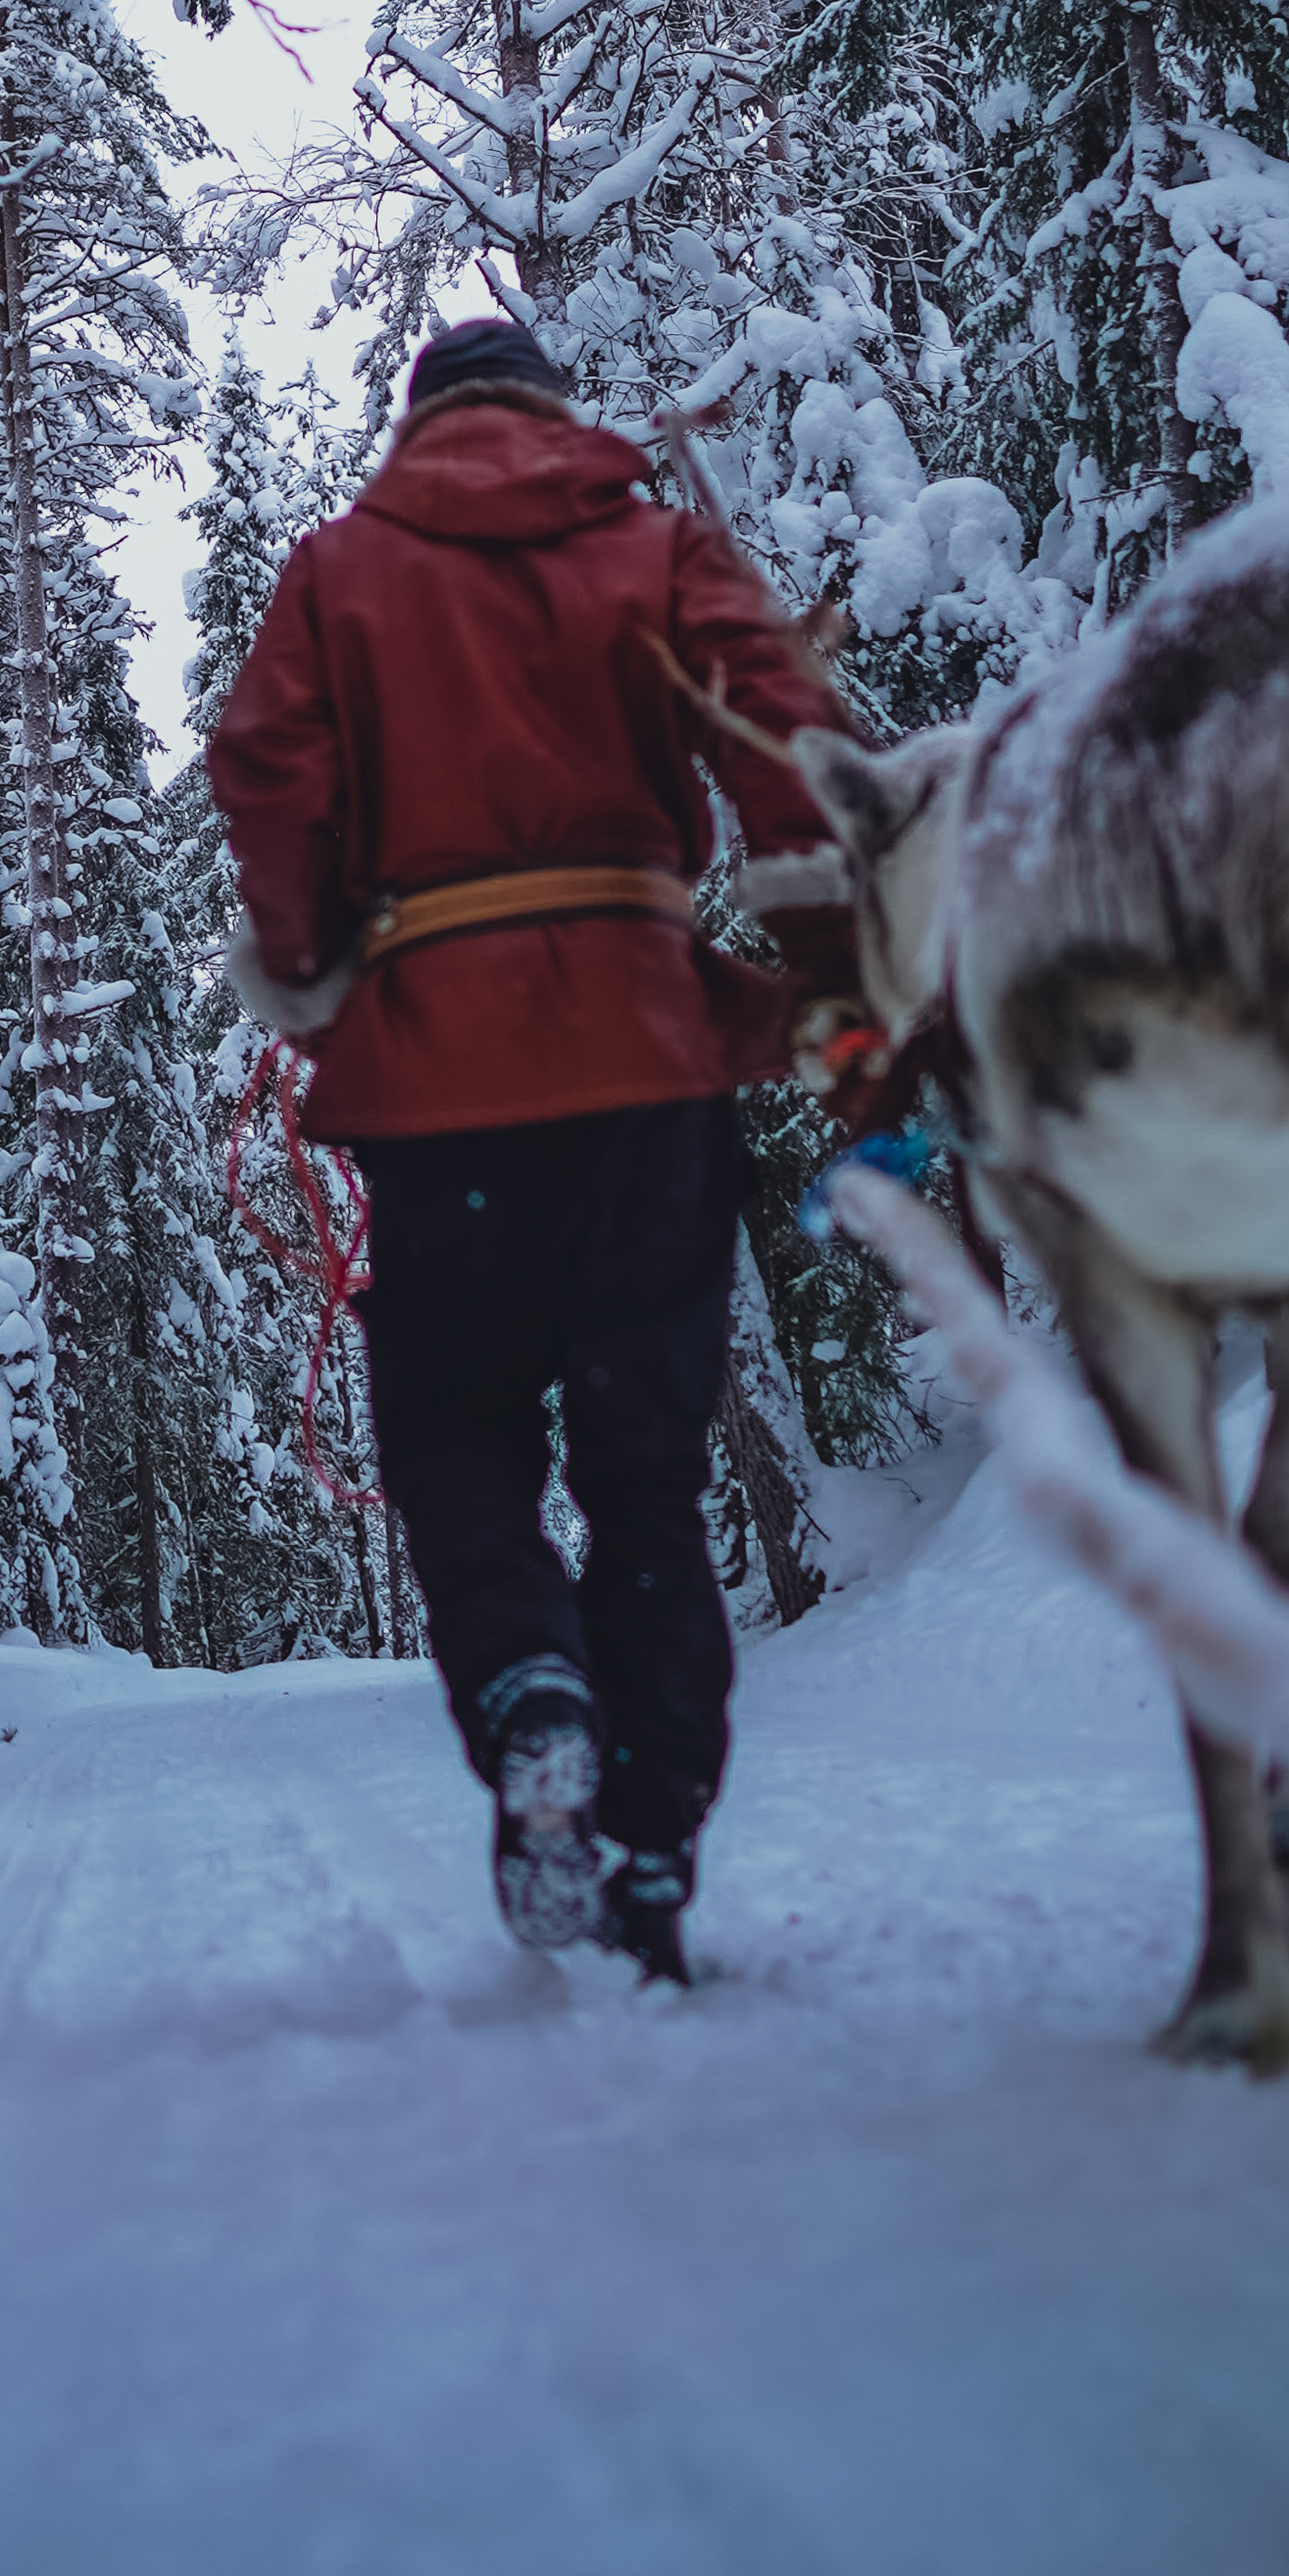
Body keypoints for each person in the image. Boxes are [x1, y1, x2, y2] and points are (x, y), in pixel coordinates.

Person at [205, 318, 848, 1980]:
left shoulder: (341, 570)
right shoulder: (654, 543)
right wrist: (818, 943)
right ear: (552, 417)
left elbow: (264, 759)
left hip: (438, 1080)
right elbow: (781, 727)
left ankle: (524, 1689)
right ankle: (643, 1854)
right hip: (642, 1054)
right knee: (647, 1469)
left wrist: (309, 956)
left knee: (457, 1437)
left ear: (421, 425)